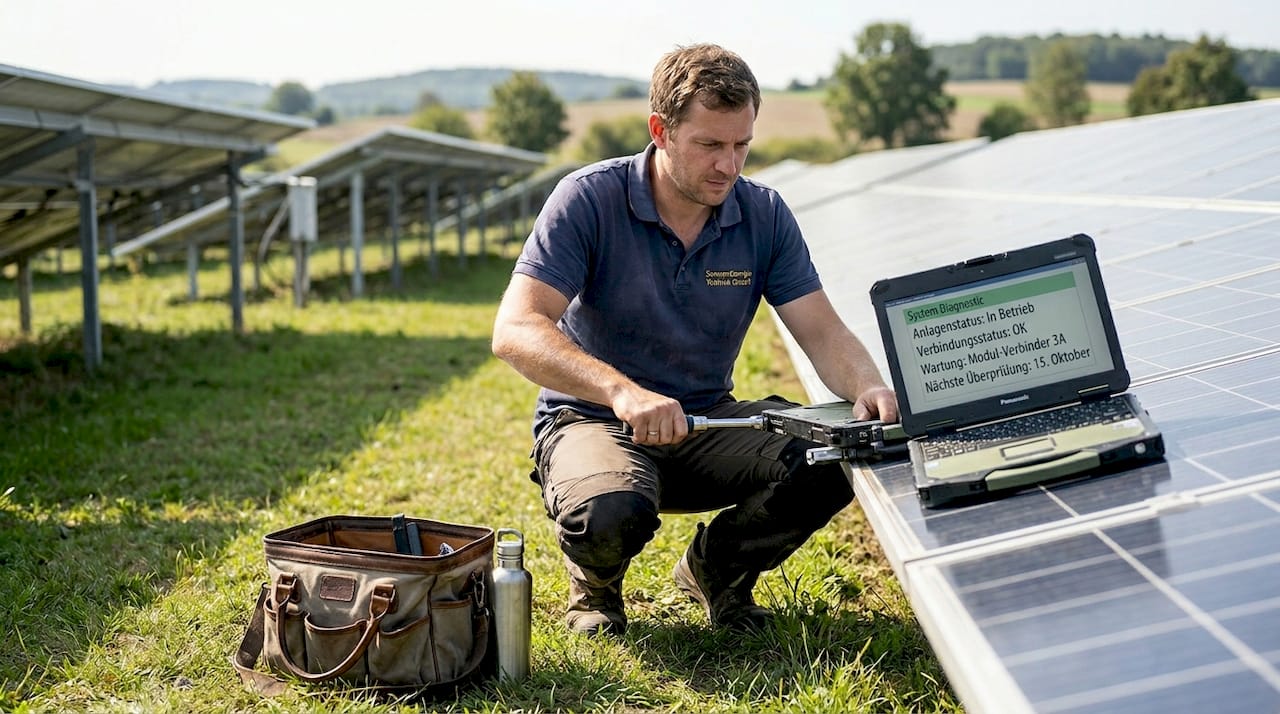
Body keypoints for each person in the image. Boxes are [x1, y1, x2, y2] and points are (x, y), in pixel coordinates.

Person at [491, 43, 897, 637]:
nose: (729, 166)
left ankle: (718, 570)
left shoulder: (763, 215)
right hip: (595, 420)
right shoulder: (589, 200)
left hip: (709, 425)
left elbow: (823, 330)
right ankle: (596, 589)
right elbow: (515, 329)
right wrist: (621, 392)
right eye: (710, 145)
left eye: (741, 146)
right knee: (609, 512)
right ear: (660, 130)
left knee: (832, 455)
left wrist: (868, 385)